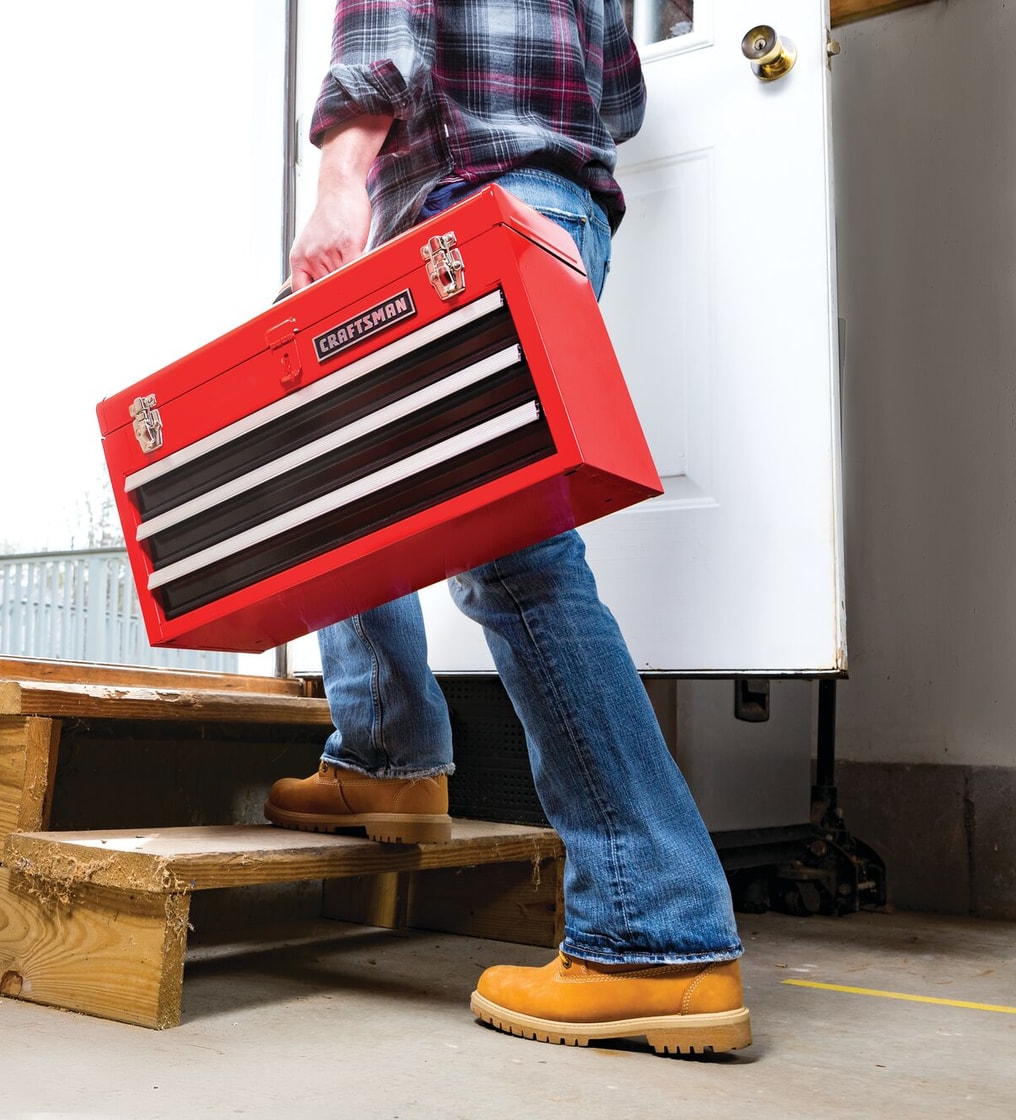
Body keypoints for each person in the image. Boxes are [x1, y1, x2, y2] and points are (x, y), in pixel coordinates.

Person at [264, 0, 751, 1055]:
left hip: (462, 208)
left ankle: (654, 931)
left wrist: (342, 180)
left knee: (515, 558)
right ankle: (388, 754)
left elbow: (382, 28)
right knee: (353, 473)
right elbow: (618, 94)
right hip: (557, 208)